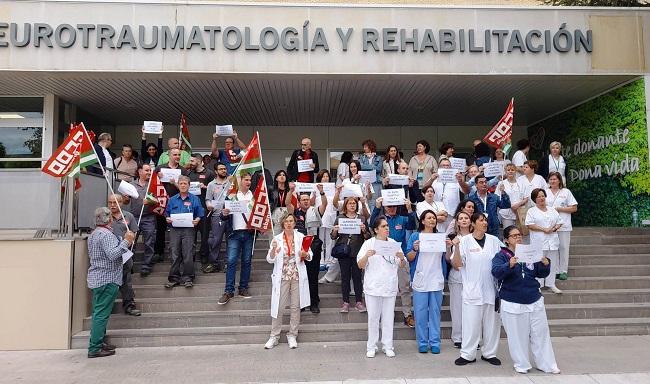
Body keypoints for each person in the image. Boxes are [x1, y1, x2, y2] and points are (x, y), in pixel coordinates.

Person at [492, 225, 561, 374]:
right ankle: (522, 364)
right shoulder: (501, 255)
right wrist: (508, 265)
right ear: (506, 240)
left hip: (534, 298)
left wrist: (545, 263)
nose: (518, 237)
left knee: (541, 334)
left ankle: (547, 364)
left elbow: (540, 273)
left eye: (519, 235)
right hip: (512, 301)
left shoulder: (530, 252)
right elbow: (496, 272)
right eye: (514, 236)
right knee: (517, 336)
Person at [452, 213, 503, 366]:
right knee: (471, 323)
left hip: (491, 289)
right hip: (472, 289)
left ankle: (489, 353)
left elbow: (504, 258)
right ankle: (468, 354)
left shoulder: (494, 241)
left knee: (492, 324)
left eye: (486, 220)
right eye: (481, 220)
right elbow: (457, 264)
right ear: (473, 224)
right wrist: (456, 246)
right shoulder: (464, 241)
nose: (485, 222)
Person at [87, 207, 135, 358]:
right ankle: (95, 347)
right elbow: (113, 254)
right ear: (109, 219)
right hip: (107, 279)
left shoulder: (94, 234)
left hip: (98, 278)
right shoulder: (106, 235)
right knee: (101, 314)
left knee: (98, 313)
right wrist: (126, 242)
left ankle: (98, 342)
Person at [358, 216, 406, 358]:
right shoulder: (368, 244)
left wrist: (401, 257)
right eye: (384, 226)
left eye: (387, 226)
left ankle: (387, 345)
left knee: (388, 317)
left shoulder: (393, 243)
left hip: (389, 286)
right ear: (376, 229)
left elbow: (401, 265)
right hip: (373, 286)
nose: (387, 228)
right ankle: (371, 346)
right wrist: (367, 256)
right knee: (373, 317)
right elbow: (360, 265)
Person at [264, 213, 312, 349]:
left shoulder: (301, 237)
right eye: (286, 221)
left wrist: (306, 254)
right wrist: (273, 249)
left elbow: (310, 255)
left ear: (294, 223)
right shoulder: (277, 239)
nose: (289, 223)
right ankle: (274, 336)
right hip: (282, 276)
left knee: (295, 307)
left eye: (291, 221)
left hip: (297, 275)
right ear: (283, 224)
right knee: (278, 307)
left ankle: (292, 334)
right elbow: (270, 259)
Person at [369, 196, 417, 328]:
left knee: (404, 287)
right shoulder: (381, 220)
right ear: (384, 206)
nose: (391, 208)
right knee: (384, 286)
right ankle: (384, 314)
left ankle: (407, 315)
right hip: (382, 258)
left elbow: (413, 225)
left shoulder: (402, 219)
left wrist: (409, 209)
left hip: (399, 256)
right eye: (389, 206)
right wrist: (376, 208)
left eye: (394, 206)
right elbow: (371, 224)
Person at [406, 210, 446, 354]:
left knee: (435, 312)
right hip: (420, 279)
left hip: (436, 279)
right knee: (420, 312)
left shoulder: (440, 237)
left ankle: (435, 342)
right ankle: (422, 342)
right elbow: (409, 257)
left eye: (434, 218)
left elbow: (446, 258)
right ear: (422, 221)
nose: (432, 220)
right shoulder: (415, 236)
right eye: (429, 218)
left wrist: (447, 247)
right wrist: (415, 249)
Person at [286, 183, 327, 313]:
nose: (306, 201)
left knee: (313, 275)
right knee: (300, 276)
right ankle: (303, 303)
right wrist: (291, 190)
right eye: (303, 200)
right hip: (299, 246)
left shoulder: (315, 211)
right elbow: (287, 203)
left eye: (307, 199)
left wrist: (321, 193)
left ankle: (314, 302)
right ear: (299, 202)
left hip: (313, 245)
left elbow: (324, 205)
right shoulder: (295, 212)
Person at [218, 173, 256, 304]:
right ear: (240, 181)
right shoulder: (232, 196)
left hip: (249, 233)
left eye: (250, 180)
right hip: (234, 233)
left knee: (246, 261)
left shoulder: (255, 196)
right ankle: (228, 291)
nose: (248, 182)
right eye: (246, 179)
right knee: (232, 261)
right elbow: (222, 217)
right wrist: (224, 214)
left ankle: (243, 288)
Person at [164, 176, 204, 288]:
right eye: (180, 183)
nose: (182, 185)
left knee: (188, 253)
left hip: (189, 230)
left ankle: (188, 278)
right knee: (174, 253)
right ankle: (174, 278)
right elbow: (166, 213)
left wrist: (197, 220)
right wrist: (167, 218)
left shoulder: (195, 199)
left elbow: (200, 213)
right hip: (174, 230)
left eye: (185, 183)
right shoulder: (172, 199)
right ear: (178, 184)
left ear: (189, 185)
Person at [331, 197, 370, 313]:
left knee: (358, 278)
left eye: (354, 203)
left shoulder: (362, 218)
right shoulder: (340, 218)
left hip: (358, 253)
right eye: (350, 203)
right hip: (344, 253)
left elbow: (368, 237)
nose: (352, 205)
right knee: (345, 278)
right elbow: (333, 237)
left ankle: (359, 301)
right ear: (345, 206)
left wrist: (364, 230)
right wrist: (335, 230)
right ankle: (345, 302)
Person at [107, 194, 141, 316]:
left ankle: (129, 305)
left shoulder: (129, 216)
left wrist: (130, 240)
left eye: (115, 202)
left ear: (121, 203)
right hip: (109, 255)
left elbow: (135, 233)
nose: (112, 205)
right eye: (110, 202)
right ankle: (107, 307)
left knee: (126, 280)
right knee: (108, 281)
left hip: (125, 254)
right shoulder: (104, 216)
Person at [526, 188, 564, 294]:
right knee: (538, 263)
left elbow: (559, 221)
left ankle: (551, 284)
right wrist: (544, 229)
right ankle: (538, 284)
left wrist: (555, 228)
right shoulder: (531, 211)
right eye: (539, 196)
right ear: (534, 199)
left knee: (552, 263)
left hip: (552, 241)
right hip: (539, 241)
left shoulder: (552, 209)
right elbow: (529, 225)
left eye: (543, 195)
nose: (541, 198)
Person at [445, 211, 472, 348]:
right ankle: (458, 337)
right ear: (457, 222)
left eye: (466, 218)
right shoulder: (453, 237)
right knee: (456, 308)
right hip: (457, 277)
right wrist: (449, 247)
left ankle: (472, 337)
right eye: (460, 218)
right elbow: (448, 259)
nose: (463, 220)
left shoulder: (476, 237)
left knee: (472, 309)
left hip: (473, 277)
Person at [545, 172, 578, 281]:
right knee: (553, 248)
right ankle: (555, 270)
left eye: (554, 179)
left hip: (564, 225)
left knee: (563, 248)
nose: (552, 181)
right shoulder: (545, 192)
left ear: (559, 180)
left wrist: (559, 209)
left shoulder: (566, 192)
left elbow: (574, 208)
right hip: (550, 226)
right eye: (550, 179)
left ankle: (563, 271)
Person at [129, 164, 159, 277]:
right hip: (134, 217)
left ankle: (146, 265)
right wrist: (126, 198)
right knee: (131, 242)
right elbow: (126, 202)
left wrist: (150, 201)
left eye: (150, 170)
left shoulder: (153, 184)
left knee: (149, 242)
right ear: (140, 171)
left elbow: (158, 201)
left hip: (149, 217)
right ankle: (129, 265)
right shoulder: (131, 185)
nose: (149, 172)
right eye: (147, 170)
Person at [187, 153, 215, 266]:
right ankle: (191, 255)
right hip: (190, 209)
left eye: (192, 161)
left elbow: (216, 189)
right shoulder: (189, 173)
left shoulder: (209, 173)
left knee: (204, 234)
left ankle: (204, 255)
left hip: (204, 208)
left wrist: (206, 187)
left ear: (198, 161)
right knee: (191, 234)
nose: (190, 163)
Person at [204, 162, 230, 273]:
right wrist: (209, 205)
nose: (223, 170)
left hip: (230, 216)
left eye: (224, 169)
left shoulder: (231, 183)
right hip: (216, 216)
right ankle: (213, 263)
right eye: (221, 169)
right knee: (215, 240)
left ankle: (229, 263)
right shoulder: (211, 184)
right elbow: (207, 199)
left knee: (231, 241)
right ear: (216, 171)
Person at [315, 170, 337, 274]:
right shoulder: (315, 187)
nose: (325, 178)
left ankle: (328, 259)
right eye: (323, 176)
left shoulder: (333, 188)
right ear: (320, 178)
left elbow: (336, 202)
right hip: (320, 216)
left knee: (330, 240)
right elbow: (311, 202)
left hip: (330, 215)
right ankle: (321, 260)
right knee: (320, 239)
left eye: (327, 176)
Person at [498, 164, 528, 230]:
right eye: (508, 170)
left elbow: (526, 198)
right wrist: (502, 191)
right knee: (508, 233)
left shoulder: (521, 183)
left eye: (512, 170)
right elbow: (498, 199)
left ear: (516, 171)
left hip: (520, 213)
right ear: (505, 171)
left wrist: (517, 205)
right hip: (506, 214)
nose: (510, 171)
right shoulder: (501, 183)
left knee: (521, 234)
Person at [359, 139, 383, 210]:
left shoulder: (378, 158)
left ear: (371, 147)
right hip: (365, 182)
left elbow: (379, 169)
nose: (364, 148)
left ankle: (375, 220)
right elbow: (360, 167)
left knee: (376, 202)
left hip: (376, 182)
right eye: (364, 147)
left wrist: (369, 167)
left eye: (366, 147)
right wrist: (372, 167)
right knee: (367, 202)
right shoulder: (362, 157)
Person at [270, 170, 290, 236]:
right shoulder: (271, 189)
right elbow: (269, 202)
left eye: (284, 175)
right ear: (276, 178)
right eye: (280, 175)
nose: (282, 176)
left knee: (286, 235)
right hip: (275, 213)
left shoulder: (289, 189)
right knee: (275, 235)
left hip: (287, 212)